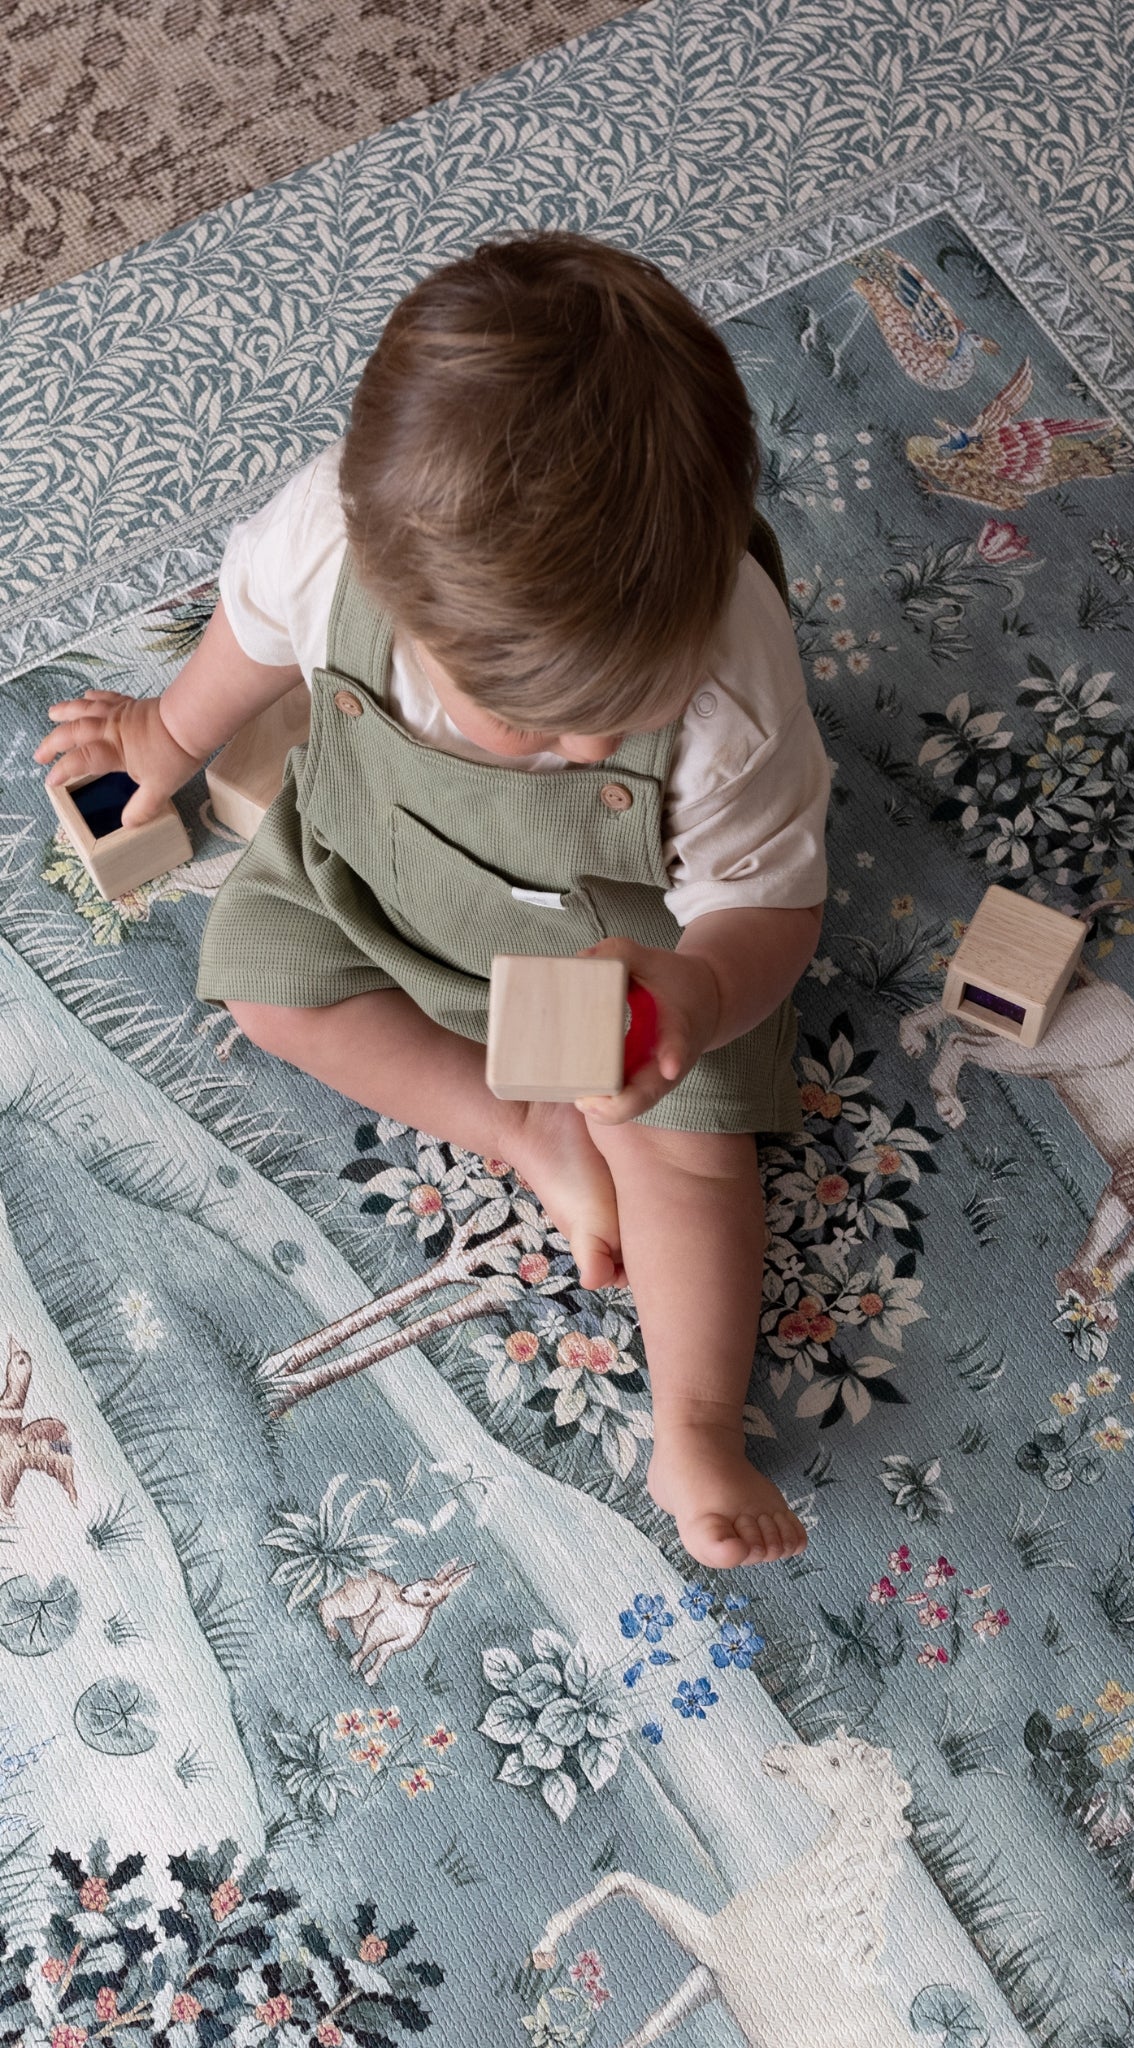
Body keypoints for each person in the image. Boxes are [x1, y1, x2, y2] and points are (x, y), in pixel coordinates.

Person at [36, 231, 830, 1569]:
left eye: (609, 724)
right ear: (401, 599)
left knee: (691, 1161)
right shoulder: (327, 540)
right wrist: (164, 744)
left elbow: (771, 908)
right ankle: (518, 1129)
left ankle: (694, 1422)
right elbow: (247, 642)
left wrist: (699, 987)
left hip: (623, 952)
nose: (581, 753)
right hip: (379, 880)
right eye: (534, 725)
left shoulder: (731, 696)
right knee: (264, 989)